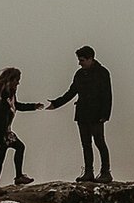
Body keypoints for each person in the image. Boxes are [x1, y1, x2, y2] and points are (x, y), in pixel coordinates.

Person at [45, 45, 112, 182]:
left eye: (81, 60)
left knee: (99, 142)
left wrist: (105, 115)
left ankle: (106, 172)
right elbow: (71, 92)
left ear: (90, 59)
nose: (79, 63)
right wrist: (56, 103)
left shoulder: (103, 73)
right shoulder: (79, 74)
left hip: (97, 115)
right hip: (82, 114)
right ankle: (89, 172)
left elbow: (107, 95)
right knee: (86, 144)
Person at [0, 66, 42, 195]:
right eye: (17, 80)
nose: (18, 83)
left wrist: (33, 106)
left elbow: (16, 106)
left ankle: (18, 177)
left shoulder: (10, 91)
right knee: (0, 158)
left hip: (5, 130)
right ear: (11, 79)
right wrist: (0, 132)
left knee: (19, 147)